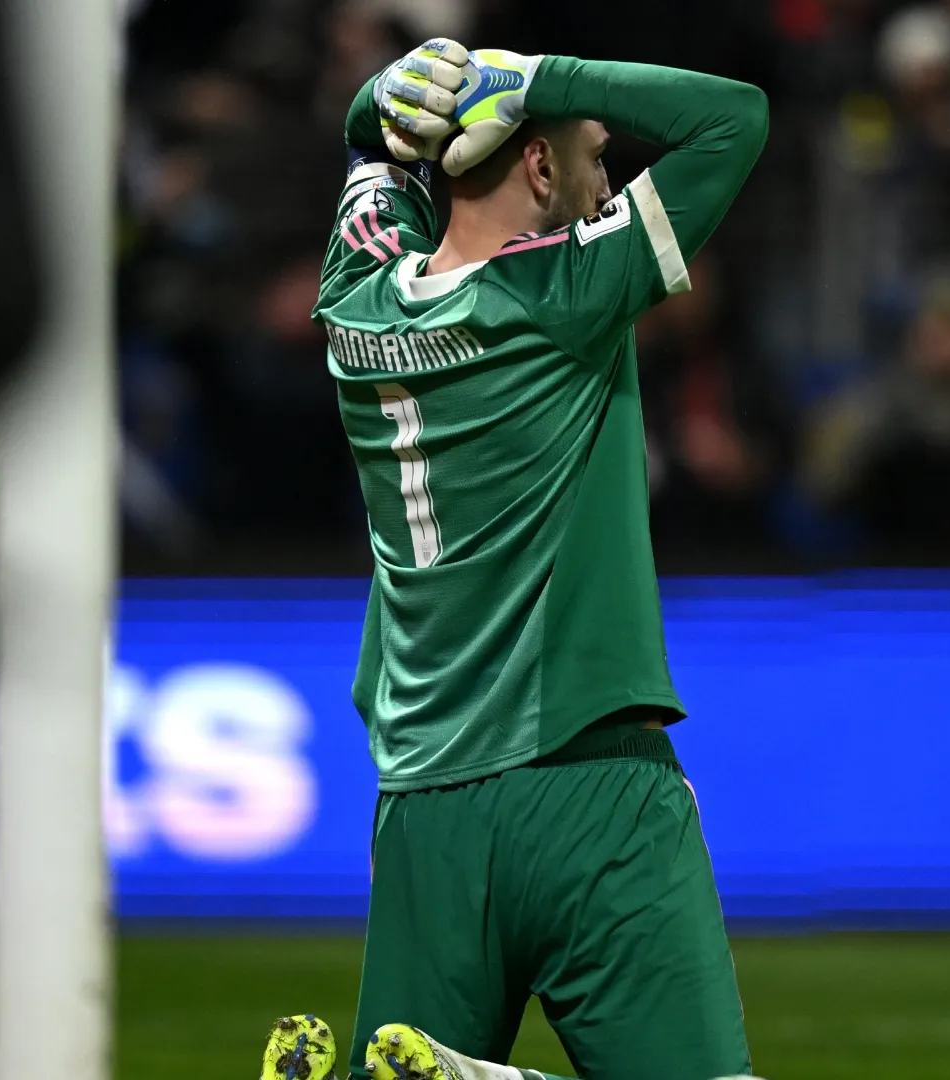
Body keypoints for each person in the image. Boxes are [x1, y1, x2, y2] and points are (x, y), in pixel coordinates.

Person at [256, 39, 768, 1080]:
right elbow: (736, 117)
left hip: (426, 808)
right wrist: (539, 78)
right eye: (593, 156)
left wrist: (380, 98)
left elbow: (368, 141)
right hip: (590, 785)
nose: (608, 183)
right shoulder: (571, 289)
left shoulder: (356, 301)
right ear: (537, 166)